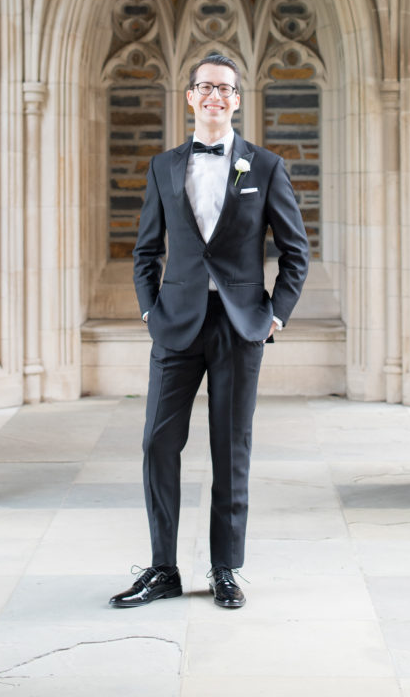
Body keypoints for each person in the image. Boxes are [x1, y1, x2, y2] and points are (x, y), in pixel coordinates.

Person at [109, 51, 309, 611]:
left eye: (226, 89)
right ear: (191, 97)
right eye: (206, 88)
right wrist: (150, 310)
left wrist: (276, 313)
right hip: (175, 323)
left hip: (239, 326)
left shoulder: (264, 167)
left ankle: (225, 568)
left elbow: (296, 251)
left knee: (231, 447)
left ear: (237, 100)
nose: (216, 97)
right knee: (157, 443)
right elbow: (146, 250)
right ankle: (162, 568)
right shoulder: (163, 166)